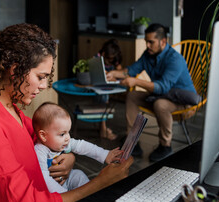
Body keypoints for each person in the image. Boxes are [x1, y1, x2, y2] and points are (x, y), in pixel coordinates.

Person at [0, 23, 133, 202]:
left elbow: (46, 140)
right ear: (15, 70)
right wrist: (100, 183)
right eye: (40, 77)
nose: (43, 86)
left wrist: (68, 157)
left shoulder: (11, 111)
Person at [106, 23, 198, 162]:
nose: (147, 45)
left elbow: (162, 87)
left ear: (163, 41)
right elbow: (131, 70)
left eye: (151, 42)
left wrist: (136, 82)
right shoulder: (148, 55)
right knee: (132, 96)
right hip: (159, 97)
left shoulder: (175, 59)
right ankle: (132, 141)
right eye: (146, 42)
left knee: (160, 104)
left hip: (182, 102)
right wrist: (115, 73)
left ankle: (165, 146)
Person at [32, 102, 123, 193]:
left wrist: (105, 154)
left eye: (68, 132)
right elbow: (44, 178)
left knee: (78, 174)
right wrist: (63, 194)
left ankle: (90, 194)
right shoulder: (40, 151)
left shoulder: (63, 143)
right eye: (62, 134)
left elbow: (83, 146)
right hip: (52, 189)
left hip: (66, 179)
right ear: (43, 136)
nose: (67, 138)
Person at [95, 39, 123, 140]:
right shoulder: (98, 57)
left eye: (112, 59)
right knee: (104, 99)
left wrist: (115, 75)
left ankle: (103, 127)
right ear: (103, 54)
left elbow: (121, 73)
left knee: (104, 99)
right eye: (108, 59)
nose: (110, 61)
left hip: (110, 84)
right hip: (98, 84)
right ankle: (103, 128)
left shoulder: (116, 59)